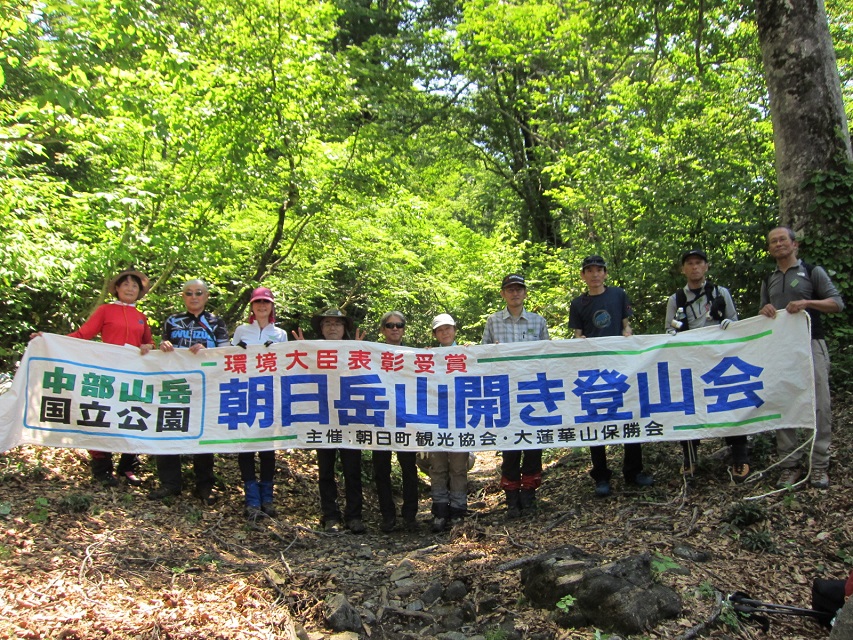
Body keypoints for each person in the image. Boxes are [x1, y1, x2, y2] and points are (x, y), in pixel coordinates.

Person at [31, 269, 154, 487]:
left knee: (132, 415)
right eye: (125, 284)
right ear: (116, 289)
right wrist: (48, 340)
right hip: (105, 372)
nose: (129, 288)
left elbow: (148, 343)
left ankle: (128, 466)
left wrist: (148, 346)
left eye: (134, 286)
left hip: (132, 375)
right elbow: (82, 335)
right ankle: (102, 468)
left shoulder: (141, 317)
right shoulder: (105, 310)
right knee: (102, 415)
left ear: (140, 292)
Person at [759, 227, 844, 489]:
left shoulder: (811, 271)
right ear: (770, 248)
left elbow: (837, 303)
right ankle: (789, 465)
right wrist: (765, 310)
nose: (778, 244)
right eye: (773, 241)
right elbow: (762, 314)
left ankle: (819, 464)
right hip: (781, 350)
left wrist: (808, 303)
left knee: (820, 403)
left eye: (783, 239)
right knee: (784, 403)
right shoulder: (768, 279)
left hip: (811, 343)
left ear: (794, 244)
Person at [569, 255, 654, 497]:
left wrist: (628, 334)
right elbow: (577, 333)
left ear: (605, 273)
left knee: (629, 415)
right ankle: (601, 475)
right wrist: (579, 341)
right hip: (593, 368)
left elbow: (626, 325)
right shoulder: (578, 303)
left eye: (599, 270)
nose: (595, 274)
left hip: (621, 365)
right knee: (595, 420)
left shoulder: (618, 295)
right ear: (583, 275)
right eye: (590, 270)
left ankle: (633, 471)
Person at [665, 249, 750, 482]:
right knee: (690, 407)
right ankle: (690, 458)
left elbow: (735, 322)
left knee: (729, 402)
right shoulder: (676, 299)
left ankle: (740, 457)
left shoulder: (720, 293)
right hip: (690, 360)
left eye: (699, 263)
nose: (694, 267)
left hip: (720, 359)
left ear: (706, 266)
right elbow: (668, 331)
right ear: (683, 269)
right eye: (689, 263)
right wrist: (675, 334)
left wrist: (727, 325)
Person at [148, 279, 229, 505]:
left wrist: (206, 350)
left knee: (203, 432)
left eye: (199, 293)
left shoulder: (216, 322)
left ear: (207, 296)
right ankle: (170, 484)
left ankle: (204, 486)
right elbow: (162, 349)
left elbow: (226, 354)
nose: (194, 296)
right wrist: (163, 346)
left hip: (206, 385)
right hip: (175, 384)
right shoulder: (172, 320)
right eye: (189, 293)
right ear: (183, 297)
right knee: (168, 428)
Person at [482, 274, 550, 518]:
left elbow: (549, 355)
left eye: (519, 289)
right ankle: (511, 497)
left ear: (525, 293)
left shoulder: (538, 321)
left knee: (533, 442)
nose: (515, 293)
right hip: (505, 392)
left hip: (533, 390)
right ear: (503, 293)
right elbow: (484, 354)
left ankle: (529, 495)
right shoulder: (493, 322)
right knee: (510, 443)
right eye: (510, 289)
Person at [294, 308, 367, 533]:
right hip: (322, 419)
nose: (333, 327)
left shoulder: (355, 350)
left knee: (352, 469)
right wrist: (300, 350)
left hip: (350, 417)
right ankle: (330, 516)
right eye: (327, 323)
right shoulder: (313, 351)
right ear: (321, 328)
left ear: (345, 328)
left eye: (337, 323)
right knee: (325, 470)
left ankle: (354, 516)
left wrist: (361, 350)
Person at [231, 287, 289, 519]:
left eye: (266, 302)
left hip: (270, 393)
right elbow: (228, 357)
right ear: (252, 307)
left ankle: (267, 498)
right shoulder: (241, 330)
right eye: (258, 302)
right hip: (243, 391)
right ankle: (251, 498)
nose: (262, 306)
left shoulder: (280, 333)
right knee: (245, 445)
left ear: (272, 306)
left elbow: (287, 363)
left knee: (267, 447)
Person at [373, 310, 420, 532]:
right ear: (382, 329)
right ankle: (387, 515)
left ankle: (410, 514)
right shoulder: (370, 354)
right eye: (390, 325)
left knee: (409, 468)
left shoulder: (414, 354)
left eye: (399, 325)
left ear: (404, 329)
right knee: (381, 470)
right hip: (379, 420)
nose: (394, 329)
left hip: (405, 419)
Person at [427, 313, 469, 532]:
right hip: (435, 419)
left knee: (459, 467)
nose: (445, 332)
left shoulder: (467, 353)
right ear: (435, 334)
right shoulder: (426, 356)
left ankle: (459, 510)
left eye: (448, 328)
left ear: (454, 330)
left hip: (461, 419)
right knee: (439, 466)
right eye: (440, 330)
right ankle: (440, 510)